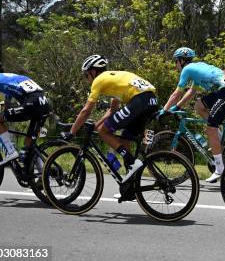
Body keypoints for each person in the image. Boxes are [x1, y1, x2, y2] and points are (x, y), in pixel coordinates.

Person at [63, 55, 158, 186]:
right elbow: (113, 109)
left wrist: (72, 132)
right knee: (125, 140)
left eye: (86, 75)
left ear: (93, 71)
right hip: (151, 100)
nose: (86, 79)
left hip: (139, 101)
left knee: (104, 131)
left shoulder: (99, 80)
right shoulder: (115, 79)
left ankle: (133, 163)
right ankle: (131, 183)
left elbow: (86, 111)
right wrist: (98, 124)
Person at [159, 47, 225, 183]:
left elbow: (177, 93)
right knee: (199, 105)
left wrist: (164, 110)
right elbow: (191, 92)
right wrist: (177, 106)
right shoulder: (197, 68)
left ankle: (219, 168)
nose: (175, 65)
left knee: (210, 129)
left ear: (181, 61)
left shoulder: (187, 69)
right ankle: (218, 137)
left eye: (176, 62)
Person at [0, 57, 51, 166]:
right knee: (28, 146)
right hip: (44, 103)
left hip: (33, 103)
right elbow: (7, 108)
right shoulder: (10, 78)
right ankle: (41, 177)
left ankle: (11, 151)